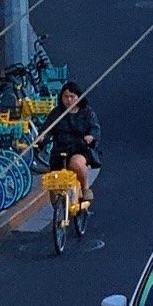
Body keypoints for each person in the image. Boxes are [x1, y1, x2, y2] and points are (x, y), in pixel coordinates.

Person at [46, 80, 101, 237]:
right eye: (65, 97)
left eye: (72, 96)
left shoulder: (87, 113)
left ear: (78, 97)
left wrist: (90, 137)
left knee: (76, 163)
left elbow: (95, 128)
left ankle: (84, 188)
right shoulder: (56, 113)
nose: (68, 100)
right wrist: (42, 138)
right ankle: (59, 209)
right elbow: (47, 130)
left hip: (80, 148)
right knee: (53, 181)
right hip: (60, 150)